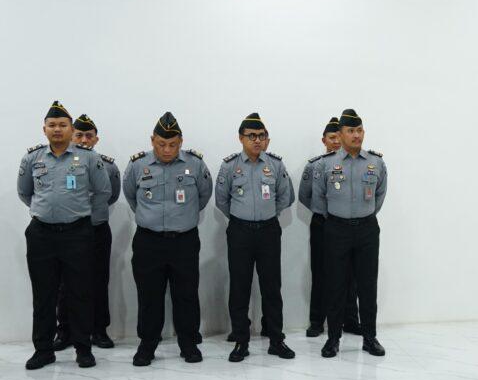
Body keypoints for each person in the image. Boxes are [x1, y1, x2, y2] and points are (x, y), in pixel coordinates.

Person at [17, 101, 111, 369]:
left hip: (77, 234)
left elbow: (102, 192)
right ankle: (43, 350)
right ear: (44, 129)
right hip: (42, 234)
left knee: (80, 292)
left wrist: (80, 215)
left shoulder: (89, 158)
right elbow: (25, 192)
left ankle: (83, 348)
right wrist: (47, 211)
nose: (57, 129)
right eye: (52, 125)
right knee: (43, 295)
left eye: (62, 125)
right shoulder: (33, 158)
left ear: (71, 129)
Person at [123, 112, 212, 366]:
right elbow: (130, 195)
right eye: (161, 144)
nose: (167, 150)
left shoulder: (195, 165)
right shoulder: (138, 165)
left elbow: (204, 196)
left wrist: (182, 218)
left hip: (184, 241)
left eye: (173, 144)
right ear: (152, 140)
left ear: (181, 141)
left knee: (186, 294)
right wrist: (150, 218)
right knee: (149, 295)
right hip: (148, 241)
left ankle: (189, 343)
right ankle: (147, 345)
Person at [215, 113, 296, 362]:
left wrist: (267, 214)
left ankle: (276, 340)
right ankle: (241, 340)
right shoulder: (229, 166)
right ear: (241, 138)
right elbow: (222, 201)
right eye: (252, 136)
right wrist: (242, 218)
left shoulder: (275, 165)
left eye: (261, 136)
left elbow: (285, 197)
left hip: (268, 231)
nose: (257, 140)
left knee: (272, 287)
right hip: (240, 231)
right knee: (239, 286)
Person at [312, 109, 387, 358]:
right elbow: (319, 199)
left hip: (367, 229)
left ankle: (369, 338)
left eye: (359, 130)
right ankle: (333, 338)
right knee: (335, 285)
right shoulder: (325, 164)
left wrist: (364, 214)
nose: (356, 135)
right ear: (341, 134)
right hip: (336, 229)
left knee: (367, 286)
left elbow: (379, 195)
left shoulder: (376, 162)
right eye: (351, 131)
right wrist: (338, 218)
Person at [53, 114, 121, 351]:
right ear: (71, 136)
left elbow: (111, 195)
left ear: (96, 139)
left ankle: (99, 330)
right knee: (65, 283)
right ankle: (65, 331)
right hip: (68, 231)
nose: (83, 140)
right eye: (79, 135)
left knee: (99, 280)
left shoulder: (108, 166)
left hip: (96, 229)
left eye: (89, 136)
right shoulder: (59, 163)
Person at [299, 117, 361, 338]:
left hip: (346, 224)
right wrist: (322, 211)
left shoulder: (353, 163)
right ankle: (317, 321)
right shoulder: (315, 165)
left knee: (350, 272)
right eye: (331, 137)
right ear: (324, 140)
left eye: (338, 137)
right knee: (321, 271)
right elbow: (304, 196)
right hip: (322, 224)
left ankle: (350, 320)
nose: (336, 141)